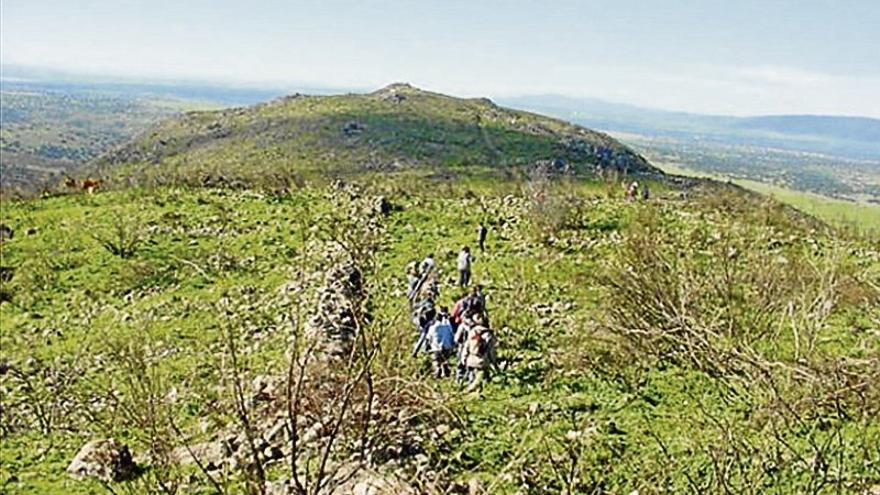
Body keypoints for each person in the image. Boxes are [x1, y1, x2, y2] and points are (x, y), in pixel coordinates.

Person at [463, 316, 497, 393]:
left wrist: (464, 357)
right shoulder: (489, 334)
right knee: (480, 377)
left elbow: (466, 346)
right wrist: (493, 361)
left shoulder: (472, 332)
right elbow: (491, 350)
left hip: (471, 358)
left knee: (474, 376)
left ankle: (475, 392)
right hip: (482, 360)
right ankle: (473, 391)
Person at [426, 307, 455, 378]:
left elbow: (428, 337)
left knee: (436, 361)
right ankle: (445, 371)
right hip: (447, 346)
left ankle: (437, 371)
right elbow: (452, 334)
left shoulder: (432, 327)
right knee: (445, 360)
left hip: (436, 348)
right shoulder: (448, 326)